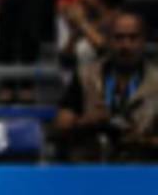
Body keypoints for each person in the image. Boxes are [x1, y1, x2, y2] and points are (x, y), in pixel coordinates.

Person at [55, 12, 158, 161]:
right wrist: (85, 122)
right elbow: (61, 125)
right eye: (119, 38)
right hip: (92, 164)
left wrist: (144, 140)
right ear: (108, 40)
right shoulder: (85, 76)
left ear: (143, 41)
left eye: (133, 38)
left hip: (143, 166)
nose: (126, 45)